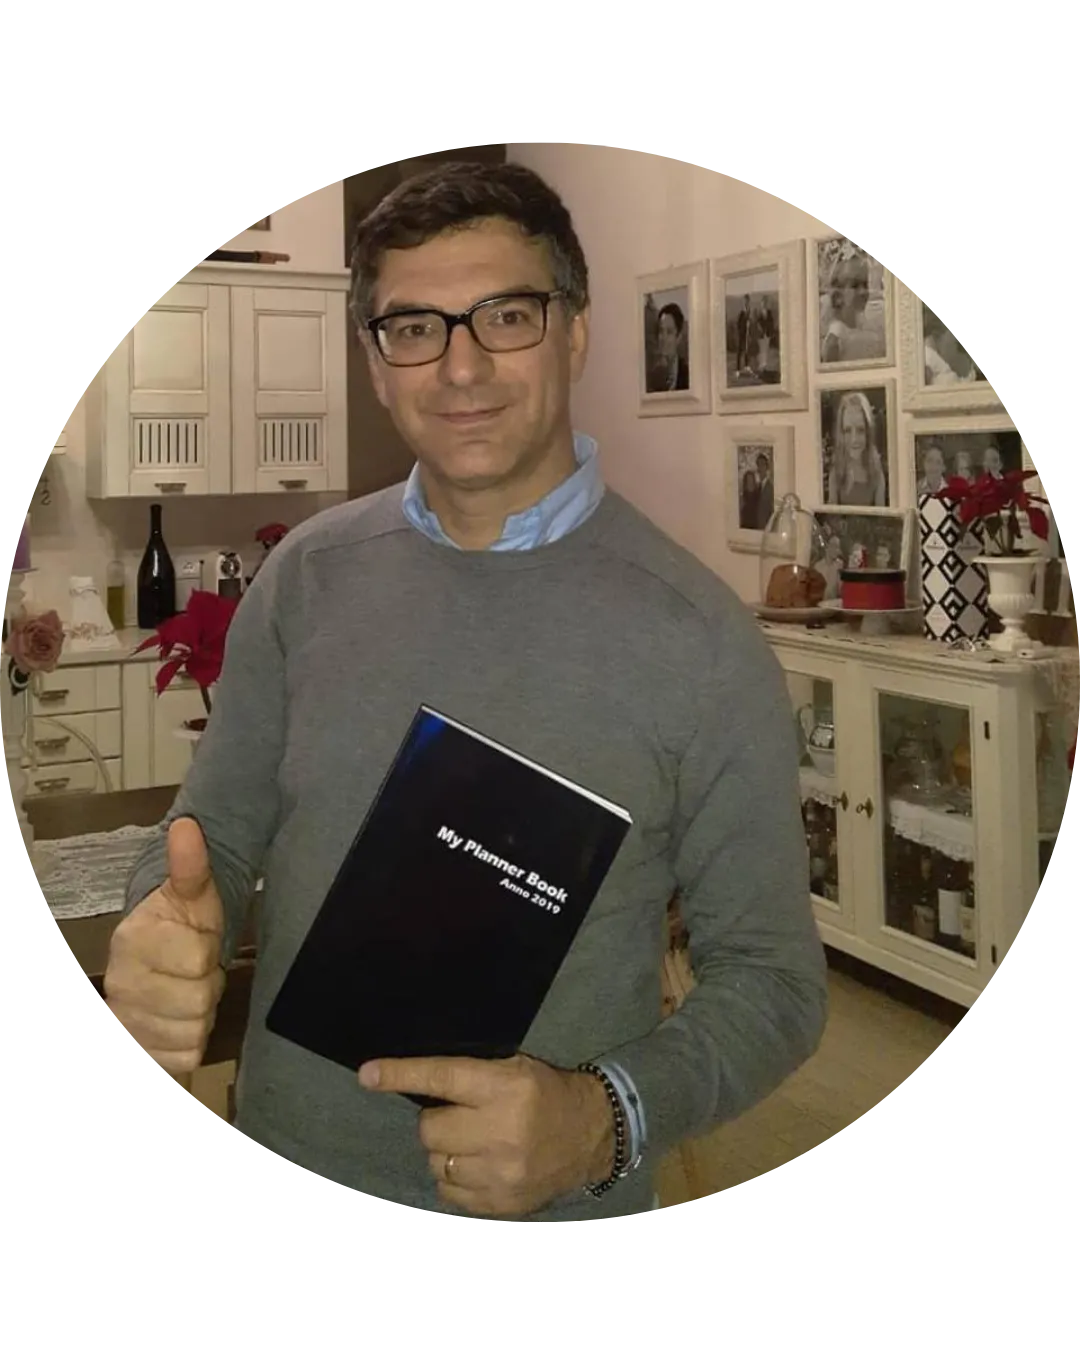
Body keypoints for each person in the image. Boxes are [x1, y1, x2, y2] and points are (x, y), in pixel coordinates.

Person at [106, 161, 827, 1224]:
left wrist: (605, 1117)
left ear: (574, 333)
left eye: (507, 315)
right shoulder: (304, 579)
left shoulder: (703, 643)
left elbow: (775, 983)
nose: (461, 366)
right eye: (414, 328)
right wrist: (157, 922)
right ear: (375, 364)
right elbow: (208, 837)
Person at [827, 391, 887, 506]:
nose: (854, 440)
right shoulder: (836, 473)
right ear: (841, 434)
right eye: (847, 431)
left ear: (868, 432)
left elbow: (881, 514)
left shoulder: (876, 474)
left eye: (860, 430)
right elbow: (831, 514)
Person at [820, 252, 880, 364]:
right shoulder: (836, 338)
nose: (863, 291)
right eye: (855, 286)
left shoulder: (865, 330)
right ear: (838, 296)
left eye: (865, 285)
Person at [649, 302, 689, 391]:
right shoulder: (652, 375)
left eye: (669, 332)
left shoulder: (687, 374)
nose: (663, 338)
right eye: (661, 331)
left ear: (678, 337)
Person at [818, 534, 843, 600]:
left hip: (833, 604)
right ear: (827, 546)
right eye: (834, 546)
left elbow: (841, 591)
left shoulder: (839, 566)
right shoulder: (818, 567)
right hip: (820, 604)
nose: (837, 550)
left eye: (838, 547)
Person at [755, 452, 774, 528]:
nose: (760, 468)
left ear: (767, 467)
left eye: (762, 465)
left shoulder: (770, 488)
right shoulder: (757, 487)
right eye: (759, 465)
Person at [736, 294, 751, 372]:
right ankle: (738, 368)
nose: (746, 302)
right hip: (741, 334)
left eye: (747, 301)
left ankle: (746, 366)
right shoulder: (742, 312)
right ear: (743, 302)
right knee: (740, 351)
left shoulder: (749, 311)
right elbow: (738, 324)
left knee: (747, 350)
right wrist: (741, 331)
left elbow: (750, 321)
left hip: (747, 334)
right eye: (745, 301)